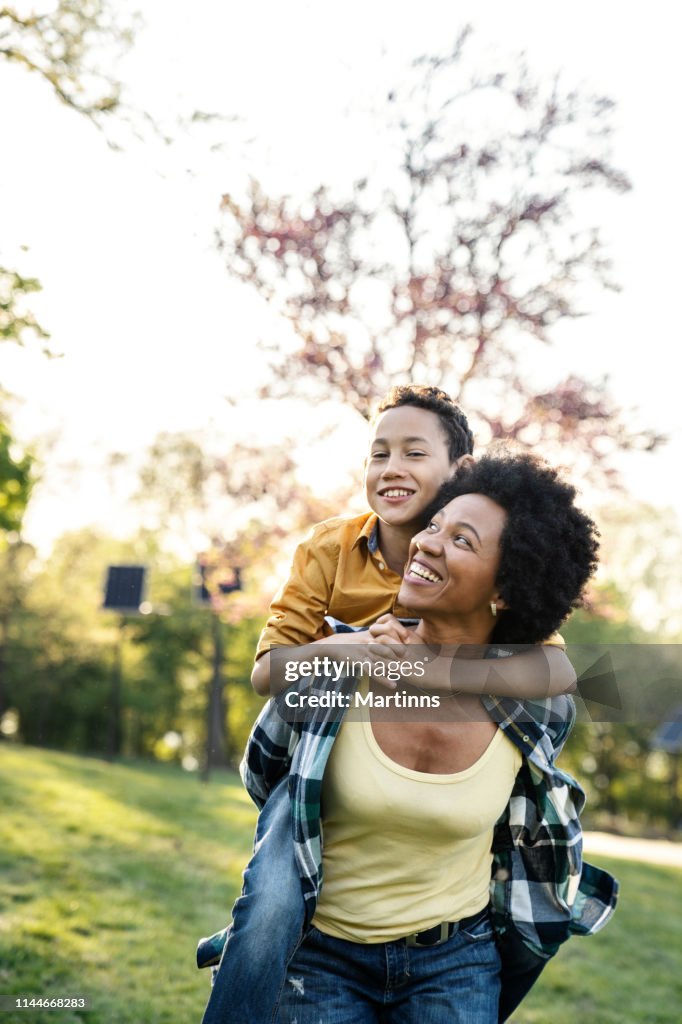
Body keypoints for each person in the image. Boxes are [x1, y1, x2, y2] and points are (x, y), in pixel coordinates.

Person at [199, 452, 618, 1024]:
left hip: (457, 962)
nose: (426, 543)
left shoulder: (532, 705)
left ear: (506, 590)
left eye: (462, 540)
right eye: (433, 526)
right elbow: (267, 771)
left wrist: (435, 672)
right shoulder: (339, 665)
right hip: (321, 958)